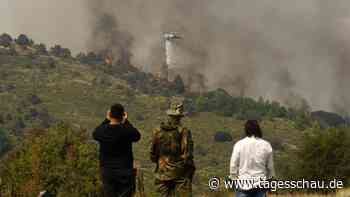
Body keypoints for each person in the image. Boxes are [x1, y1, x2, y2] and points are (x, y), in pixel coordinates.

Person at [93, 103, 141, 197]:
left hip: (108, 171)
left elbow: (95, 133)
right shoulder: (126, 131)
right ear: (122, 115)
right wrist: (126, 121)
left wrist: (106, 120)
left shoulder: (103, 131)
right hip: (125, 171)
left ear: (110, 115)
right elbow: (137, 135)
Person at [150, 100, 195, 197]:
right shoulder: (183, 131)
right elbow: (187, 154)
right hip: (180, 172)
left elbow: (152, 153)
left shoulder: (157, 131)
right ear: (180, 116)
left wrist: (160, 162)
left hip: (162, 172)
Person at [230, 120, 275, 197]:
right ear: (258, 129)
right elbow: (270, 167)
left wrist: (234, 179)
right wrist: (270, 181)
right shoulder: (266, 145)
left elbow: (233, 165)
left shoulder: (239, 144)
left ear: (246, 130)